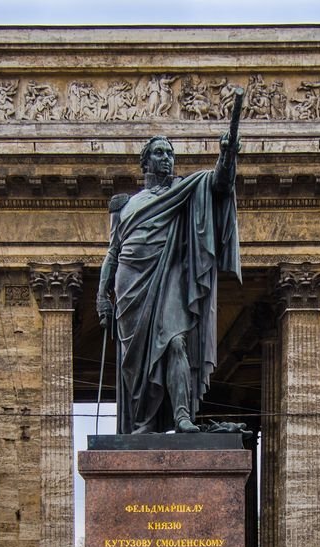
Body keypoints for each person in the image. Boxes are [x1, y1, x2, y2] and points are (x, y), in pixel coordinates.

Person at [96, 126, 241, 434]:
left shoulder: (185, 192)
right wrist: (101, 297)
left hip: (169, 275)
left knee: (175, 341)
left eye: (170, 154)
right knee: (135, 363)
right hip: (130, 284)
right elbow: (113, 252)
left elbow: (220, 184)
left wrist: (228, 154)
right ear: (145, 163)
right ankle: (145, 422)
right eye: (160, 153)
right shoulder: (125, 205)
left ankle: (181, 416)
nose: (167, 159)